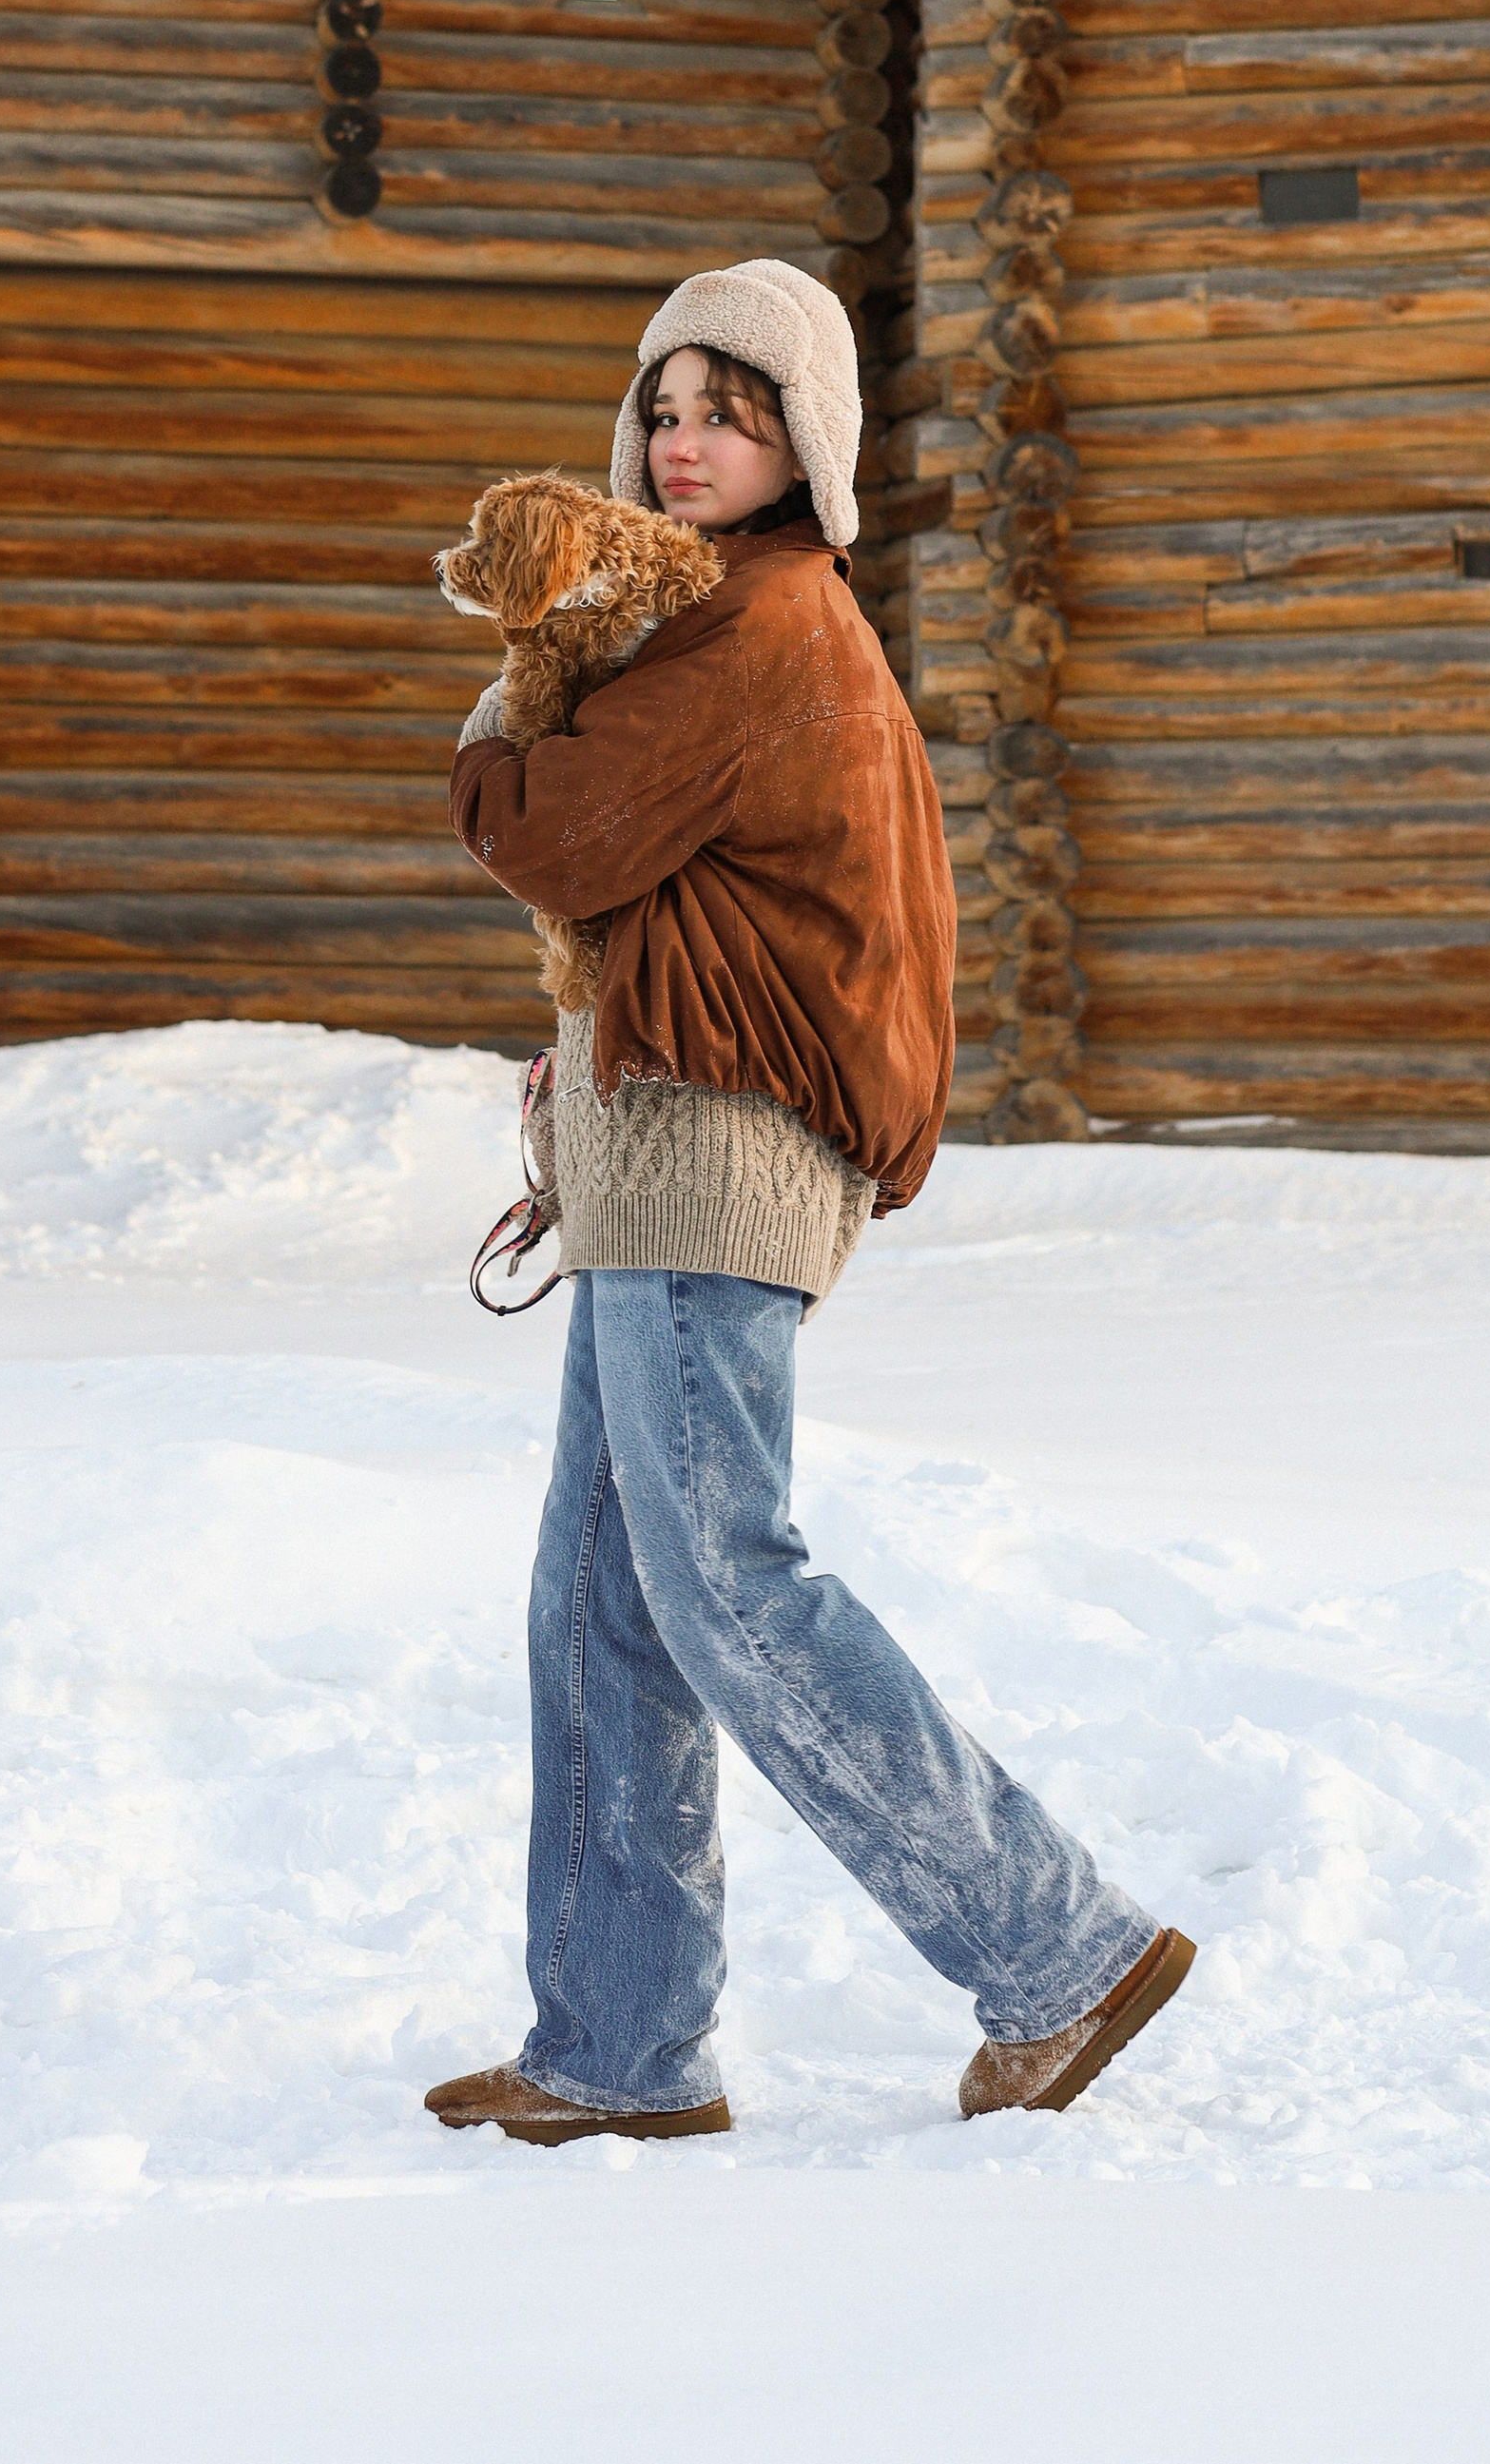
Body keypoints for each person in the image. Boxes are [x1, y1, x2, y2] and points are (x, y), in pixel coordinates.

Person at [428, 258, 1192, 2145]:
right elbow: (634, 890)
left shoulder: (761, 624)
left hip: (714, 1155)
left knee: (721, 1584)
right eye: (667, 406)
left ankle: (1054, 1946)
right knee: (599, 1604)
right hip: (650, 1143)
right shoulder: (694, 627)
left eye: (731, 409)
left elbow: (547, 828)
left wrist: (504, 684)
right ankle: (614, 2044)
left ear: (803, 443)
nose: (686, 441)